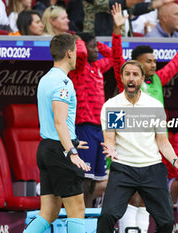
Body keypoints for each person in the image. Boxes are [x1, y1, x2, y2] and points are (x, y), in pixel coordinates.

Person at [111, 4, 178, 232]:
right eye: (149, 61)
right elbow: (115, 58)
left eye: (154, 61)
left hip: (154, 149)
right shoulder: (126, 81)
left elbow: (177, 62)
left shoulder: (158, 80)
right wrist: (117, 31)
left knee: (147, 198)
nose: (154, 64)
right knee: (132, 196)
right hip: (129, 148)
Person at [98, 60, 178, 233]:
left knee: (166, 222)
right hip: (123, 168)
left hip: (152, 168)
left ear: (142, 79)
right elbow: (109, 139)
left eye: (135, 75)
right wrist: (110, 149)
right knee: (107, 216)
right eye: (127, 74)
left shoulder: (154, 106)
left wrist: (174, 160)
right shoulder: (112, 106)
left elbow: (163, 141)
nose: (131, 78)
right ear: (122, 78)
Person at [23, 33, 91, 233]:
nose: (78, 55)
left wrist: (73, 141)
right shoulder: (62, 82)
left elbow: (57, 124)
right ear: (70, 53)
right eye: (76, 51)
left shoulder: (46, 78)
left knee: (49, 212)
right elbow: (59, 122)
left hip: (47, 148)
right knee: (77, 209)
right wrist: (72, 151)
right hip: (60, 150)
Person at [68, 32, 117, 208]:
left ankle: (86, 218)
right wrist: (80, 40)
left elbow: (114, 56)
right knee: (84, 179)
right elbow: (80, 54)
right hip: (84, 128)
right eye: (93, 46)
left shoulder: (97, 67)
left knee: (94, 182)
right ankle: (78, 218)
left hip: (99, 130)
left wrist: (98, 43)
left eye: (97, 46)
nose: (97, 49)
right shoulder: (78, 68)